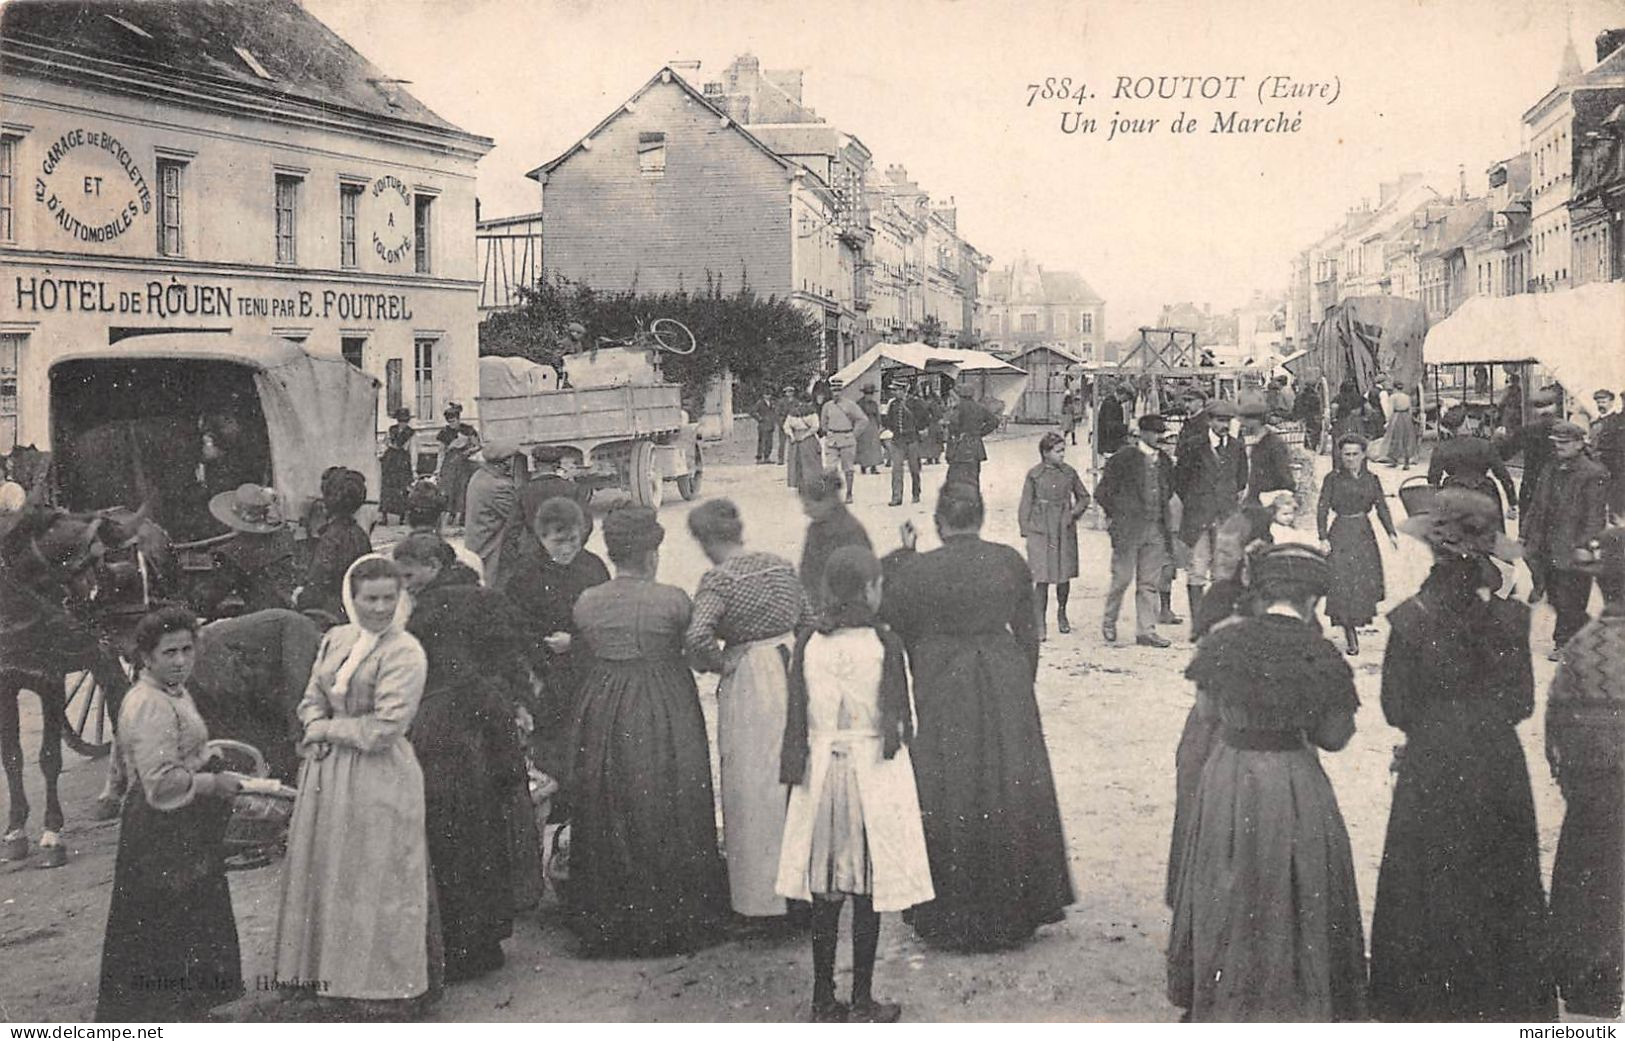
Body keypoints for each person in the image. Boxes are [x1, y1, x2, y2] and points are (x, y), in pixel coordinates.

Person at [1369, 489, 1555, 1022]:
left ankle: (1423, 998)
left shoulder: (1411, 617)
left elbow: (1394, 706)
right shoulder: (1510, 618)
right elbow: (1520, 703)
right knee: (1500, 873)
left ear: (1435, 548)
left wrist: (1434, 720)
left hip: (1432, 756)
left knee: (1427, 875)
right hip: (1497, 759)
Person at [1166, 545, 1366, 1021]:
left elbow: (1207, 711)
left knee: (1226, 881)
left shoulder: (1223, 643)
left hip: (1230, 774)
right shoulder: (1320, 653)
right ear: (1312, 601)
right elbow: (1335, 736)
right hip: (1293, 779)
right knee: (1295, 886)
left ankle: (1225, 995)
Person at [879, 483, 1072, 950]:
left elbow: (894, 624)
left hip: (943, 679)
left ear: (939, 523)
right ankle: (1017, 906)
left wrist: (902, 557)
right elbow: (1029, 632)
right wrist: (1018, 681)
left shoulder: (919, 569)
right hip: (1003, 674)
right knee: (1010, 782)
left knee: (950, 785)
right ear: (981, 518)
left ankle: (949, 911)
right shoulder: (1008, 560)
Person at [274, 555, 438, 1018]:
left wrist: (328, 731)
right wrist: (314, 724)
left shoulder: (405, 652)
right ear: (352, 598)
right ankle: (330, 977)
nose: (381, 608)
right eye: (371, 599)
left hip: (378, 774)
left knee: (375, 876)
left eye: (390, 598)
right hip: (327, 774)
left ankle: (384, 986)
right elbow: (311, 697)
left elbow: (386, 727)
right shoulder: (336, 639)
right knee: (330, 872)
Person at [777, 545, 932, 1022]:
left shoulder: (808, 641)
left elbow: (796, 716)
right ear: (869, 590)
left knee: (826, 892)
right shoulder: (885, 644)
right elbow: (901, 721)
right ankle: (863, 1001)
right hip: (871, 772)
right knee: (868, 887)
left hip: (822, 770)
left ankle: (823, 999)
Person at [565, 507, 729, 956]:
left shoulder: (588, 601)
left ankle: (611, 914)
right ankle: (673, 913)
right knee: (668, 791)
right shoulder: (673, 599)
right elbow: (697, 653)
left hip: (603, 700)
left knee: (607, 795)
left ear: (612, 553)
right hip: (664, 701)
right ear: (653, 553)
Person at [96, 605, 246, 1022]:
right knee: (166, 921)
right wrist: (210, 783)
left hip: (181, 821)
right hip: (161, 824)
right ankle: (165, 1015)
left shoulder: (172, 693)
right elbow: (159, 782)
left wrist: (205, 755)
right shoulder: (149, 704)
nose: (181, 660)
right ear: (146, 657)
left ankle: (190, 1011)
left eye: (187, 649)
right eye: (169, 653)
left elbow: (178, 751)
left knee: (191, 915)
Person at [393, 535, 529, 982]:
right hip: (489, 723)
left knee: (449, 834)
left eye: (410, 575)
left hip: (445, 727)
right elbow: (511, 660)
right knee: (486, 828)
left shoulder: (431, 611)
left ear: (433, 565)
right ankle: (486, 938)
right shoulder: (486, 598)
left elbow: (428, 670)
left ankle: (459, 943)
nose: (406, 585)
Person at [685, 499, 812, 922]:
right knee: (799, 777)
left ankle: (762, 899)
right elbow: (809, 618)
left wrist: (720, 664)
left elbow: (697, 638)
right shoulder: (778, 565)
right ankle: (807, 890)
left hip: (751, 682)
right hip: (791, 669)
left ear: (705, 541)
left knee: (754, 786)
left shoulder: (718, 581)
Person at [1545, 525, 1625, 1019]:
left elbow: (1555, 729)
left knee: (1588, 886)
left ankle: (1590, 988)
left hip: (1594, 793)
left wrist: (1574, 782)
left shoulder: (1582, 646)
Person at [497, 497, 609, 786]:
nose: (568, 548)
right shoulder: (523, 576)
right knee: (550, 743)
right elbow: (512, 631)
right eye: (559, 541)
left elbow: (607, 621)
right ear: (541, 536)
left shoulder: (592, 568)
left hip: (586, 670)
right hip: (545, 675)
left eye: (574, 540)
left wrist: (576, 643)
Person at [1522, 420, 1609, 655]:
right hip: (1546, 542)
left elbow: (1595, 517)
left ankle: (1565, 643)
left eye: (1564, 442)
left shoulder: (1593, 473)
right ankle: (1582, 637)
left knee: (1572, 596)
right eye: (1556, 442)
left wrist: (1586, 545)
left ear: (1580, 444)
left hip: (1572, 543)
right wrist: (1526, 533)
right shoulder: (1551, 467)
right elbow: (1537, 503)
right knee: (1556, 594)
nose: (1559, 446)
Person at [1095, 415, 1176, 648]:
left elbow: (1167, 491)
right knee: (1121, 579)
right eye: (1155, 432)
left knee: (1149, 583)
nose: (1160, 437)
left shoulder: (1165, 461)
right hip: (1128, 530)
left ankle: (1146, 631)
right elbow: (1103, 493)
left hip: (1156, 529)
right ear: (1142, 433)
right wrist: (1117, 517)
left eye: (1162, 433)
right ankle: (1109, 622)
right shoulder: (1123, 458)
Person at [1317, 434, 1398, 656]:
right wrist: (1323, 537)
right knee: (1343, 582)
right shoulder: (1332, 479)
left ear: (1363, 455)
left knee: (1362, 581)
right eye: (1346, 454)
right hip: (1341, 533)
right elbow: (1322, 508)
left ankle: (1358, 620)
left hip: (1363, 533)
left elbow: (1381, 506)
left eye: (1355, 454)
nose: (1350, 458)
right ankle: (1349, 632)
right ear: (1340, 455)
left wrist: (1391, 532)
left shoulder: (1372, 479)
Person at [1174, 399, 1245, 636]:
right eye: (1220, 420)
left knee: (1222, 572)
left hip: (1225, 517)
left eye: (1228, 421)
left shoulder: (1236, 447)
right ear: (1209, 421)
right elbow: (1180, 481)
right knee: (1197, 568)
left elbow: (1241, 480)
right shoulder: (1194, 446)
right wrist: (1197, 503)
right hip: (1199, 517)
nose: (1224, 425)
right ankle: (1198, 624)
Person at [1019, 432, 1092, 638]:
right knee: (1041, 577)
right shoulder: (1034, 475)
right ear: (1045, 453)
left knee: (1062, 574)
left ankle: (1062, 612)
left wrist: (1072, 514)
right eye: (1058, 451)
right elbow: (1026, 503)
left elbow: (1084, 497)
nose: (1062, 455)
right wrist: (1026, 528)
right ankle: (1039, 622)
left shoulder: (1069, 473)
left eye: (1063, 451)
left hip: (1062, 528)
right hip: (1041, 529)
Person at [202, 483, 298, 617]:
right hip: (293, 609)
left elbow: (211, 596)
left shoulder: (234, 552)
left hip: (265, 617)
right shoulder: (284, 536)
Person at [294, 467, 371, 623]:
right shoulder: (361, 535)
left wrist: (299, 597)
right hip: (357, 610)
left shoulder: (331, 538)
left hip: (332, 614)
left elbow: (317, 583)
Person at [799, 468, 872, 612]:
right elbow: (807, 572)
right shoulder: (815, 529)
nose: (805, 511)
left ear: (830, 500)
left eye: (808, 504)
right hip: (817, 607)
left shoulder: (850, 531)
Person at [1429, 407, 1518, 525]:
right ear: (1466, 423)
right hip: (1484, 492)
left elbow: (1433, 480)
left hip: (1454, 494)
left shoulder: (1441, 449)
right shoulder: (1485, 445)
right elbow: (1503, 475)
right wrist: (1512, 503)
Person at [462, 441, 522, 588]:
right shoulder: (498, 486)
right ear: (504, 463)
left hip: (478, 544)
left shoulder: (479, 476)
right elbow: (518, 515)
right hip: (491, 550)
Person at [943, 383, 1001, 495]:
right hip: (975, 445)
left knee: (955, 474)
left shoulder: (958, 408)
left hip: (960, 446)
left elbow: (953, 427)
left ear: (960, 395)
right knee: (974, 473)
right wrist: (980, 433)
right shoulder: (980, 408)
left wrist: (949, 451)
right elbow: (994, 421)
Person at [1238, 393, 1295, 506]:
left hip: (1270, 499)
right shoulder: (1258, 442)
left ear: (1255, 421)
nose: (1242, 424)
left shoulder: (1274, 444)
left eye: (1245, 420)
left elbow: (1284, 475)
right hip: (1257, 499)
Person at [819, 381, 870, 504]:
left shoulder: (850, 405)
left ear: (842, 391)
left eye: (838, 390)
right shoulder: (827, 406)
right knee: (830, 468)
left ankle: (849, 493)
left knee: (848, 469)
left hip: (847, 438)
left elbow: (863, 420)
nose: (836, 393)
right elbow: (823, 422)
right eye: (833, 391)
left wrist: (854, 434)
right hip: (832, 440)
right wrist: (828, 431)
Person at [434, 403, 480, 527]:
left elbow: (477, 446)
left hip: (464, 462)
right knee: (448, 488)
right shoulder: (444, 433)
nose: (451, 424)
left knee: (462, 487)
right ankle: (449, 515)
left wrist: (468, 451)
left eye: (453, 421)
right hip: (449, 463)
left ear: (458, 419)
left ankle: (460, 516)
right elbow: (441, 452)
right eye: (449, 421)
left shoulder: (467, 430)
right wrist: (438, 469)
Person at [884, 381, 927, 506]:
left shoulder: (915, 403)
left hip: (912, 439)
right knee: (896, 469)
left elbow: (924, 417)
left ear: (903, 390)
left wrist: (918, 429)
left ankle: (916, 493)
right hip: (898, 440)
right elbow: (889, 420)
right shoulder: (893, 404)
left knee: (914, 468)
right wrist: (894, 430)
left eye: (897, 390)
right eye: (893, 390)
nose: (894, 392)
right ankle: (896, 497)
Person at [1591, 388, 1625, 522]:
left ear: (1612, 402)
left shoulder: (1618, 420)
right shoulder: (1595, 423)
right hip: (1599, 468)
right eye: (1598, 402)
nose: (1600, 405)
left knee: (1615, 504)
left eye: (1603, 401)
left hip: (1615, 468)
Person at [380, 408, 416, 524]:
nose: (402, 423)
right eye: (400, 420)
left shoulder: (411, 433)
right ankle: (384, 516)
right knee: (387, 488)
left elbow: (413, 451)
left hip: (402, 462)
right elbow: (385, 443)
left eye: (404, 421)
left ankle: (402, 516)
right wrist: (382, 454)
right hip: (390, 461)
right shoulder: (391, 430)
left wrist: (414, 467)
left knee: (402, 488)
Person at [783, 390, 823, 493]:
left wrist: (792, 436)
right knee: (811, 462)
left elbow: (786, 426)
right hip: (808, 440)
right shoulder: (812, 412)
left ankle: (800, 484)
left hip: (795, 440)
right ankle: (812, 484)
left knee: (797, 462)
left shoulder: (792, 413)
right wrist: (805, 435)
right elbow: (815, 427)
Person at [1385, 382, 1419, 469]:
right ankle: (1406, 462)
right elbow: (1410, 410)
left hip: (1397, 416)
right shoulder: (1407, 397)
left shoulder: (1393, 397)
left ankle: (1394, 460)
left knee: (1395, 438)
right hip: (1406, 417)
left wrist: (1388, 421)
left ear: (1395, 388)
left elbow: (1390, 410)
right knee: (1407, 439)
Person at [856, 385, 884, 475]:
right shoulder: (859, 403)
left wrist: (879, 424)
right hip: (863, 426)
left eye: (871, 394)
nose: (869, 396)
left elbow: (877, 415)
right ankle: (863, 466)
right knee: (863, 446)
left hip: (872, 425)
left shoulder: (874, 404)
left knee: (874, 446)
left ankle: (873, 466)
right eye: (867, 393)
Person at [1096, 383, 1131, 456]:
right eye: (1127, 398)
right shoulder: (1110, 404)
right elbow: (1110, 424)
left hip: (1110, 443)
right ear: (1123, 394)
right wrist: (1125, 428)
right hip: (1107, 444)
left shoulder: (1115, 403)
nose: (1126, 401)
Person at [1294, 373, 1325, 455]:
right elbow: (1317, 408)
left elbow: (1296, 407)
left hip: (1304, 417)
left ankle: (1309, 446)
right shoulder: (1315, 396)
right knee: (1314, 432)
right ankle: (1312, 447)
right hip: (1313, 417)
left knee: (1308, 432)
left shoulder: (1300, 396)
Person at [920, 384, 946, 465]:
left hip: (932, 424)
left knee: (930, 442)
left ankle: (930, 458)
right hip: (936, 425)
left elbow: (932, 414)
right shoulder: (937, 403)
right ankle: (935, 458)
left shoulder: (930, 404)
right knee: (937, 441)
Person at [752, 389, 779, 464]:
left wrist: (774, 420)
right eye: (766, 394)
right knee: (762, 442)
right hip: (763, 425)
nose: (768, 396)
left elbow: (775, 412)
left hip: (770, 424)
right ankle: (759, 458)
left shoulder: (772, 403)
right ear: (763, 395)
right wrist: (760, 418)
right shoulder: (760, 403)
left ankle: (767, 457)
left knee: (769, 442)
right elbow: (753, 412)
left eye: (769, 394)